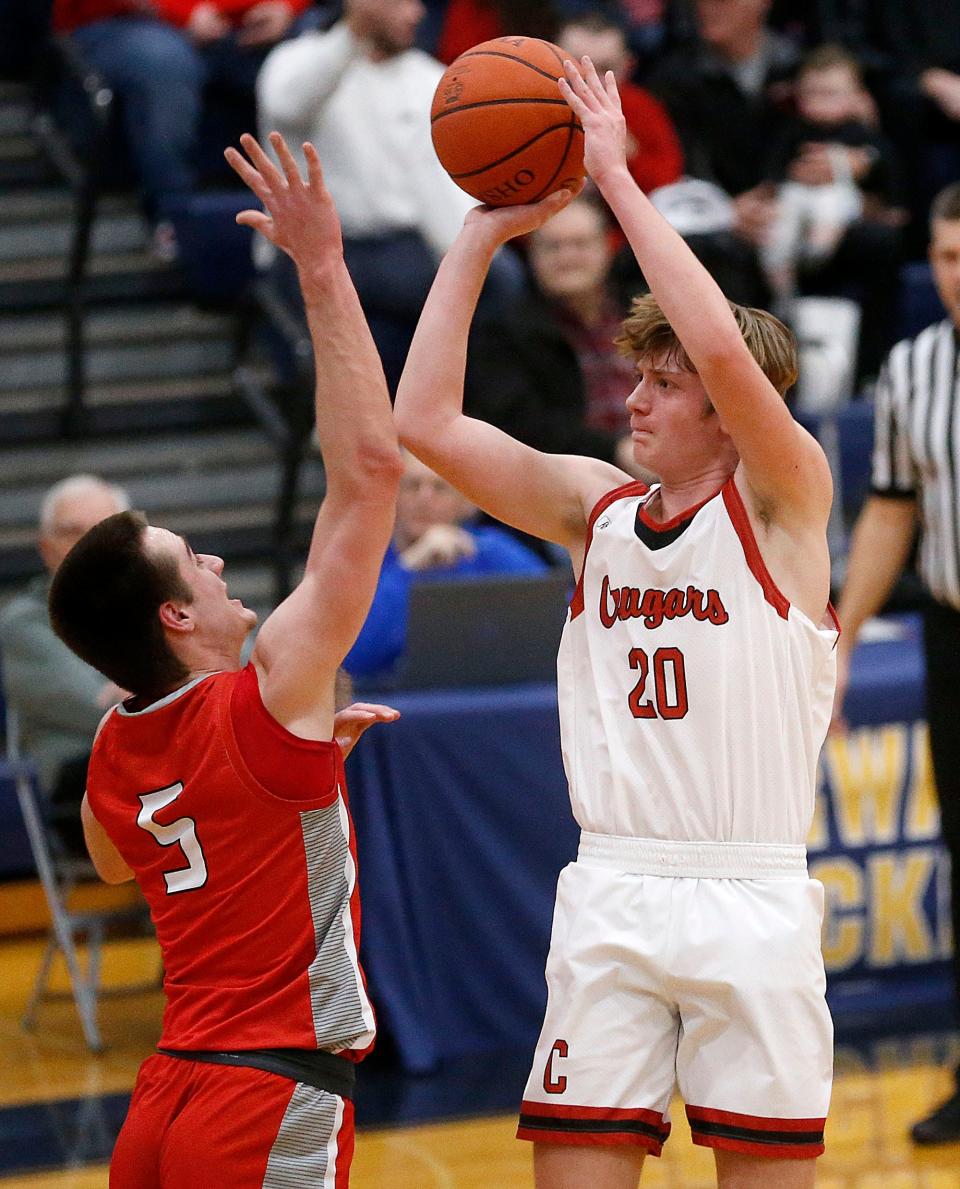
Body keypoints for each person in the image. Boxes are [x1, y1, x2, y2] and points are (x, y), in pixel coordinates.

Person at [395, 56, 838, 1188]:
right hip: (614, 885)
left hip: (752, 890)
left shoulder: (785, 500)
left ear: (734, 414)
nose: (636, 397)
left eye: (668, 380)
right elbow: (427, 421)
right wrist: (482, 233)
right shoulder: (594, 509)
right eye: (636, 373)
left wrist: (618, 183)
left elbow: (734, 353)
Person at [47, 131, 403, 1185]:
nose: (209, 559)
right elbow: (370, 471)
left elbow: (121, 857)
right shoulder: (271, 690)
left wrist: (293, 770)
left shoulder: (116, 746)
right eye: (185, 560)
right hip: (265, 1098)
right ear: (172, 617)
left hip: (163, 1107)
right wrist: (323, 269)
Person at [833, 182, 960, 1147]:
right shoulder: (915, 365)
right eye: (949, 260)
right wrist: (840, 635)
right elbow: (889, 508)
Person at [257, 0, 520, 391]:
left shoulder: (430, 76)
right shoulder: (297, 59)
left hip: (410, 250)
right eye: (402, 2)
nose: (416, 13)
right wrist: (353, 33)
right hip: (316, 249)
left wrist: (475, 250)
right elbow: (288, 104)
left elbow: (448, 185)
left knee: (501, 279)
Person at [53, 0, 313, 257]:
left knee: (317, 44)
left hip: (247, 20)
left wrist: (288, 5)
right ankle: (176, 221)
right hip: (125, 22)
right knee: (164, 61)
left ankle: (318, 214)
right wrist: (181, 11)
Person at [464, 189, 648, 471]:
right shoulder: (504, 330)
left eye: (580, 244)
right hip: (568, 480)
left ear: (607, 247)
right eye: (553, 246)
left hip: (659, 460)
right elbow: (520, 429)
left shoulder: (644, 312)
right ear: (532, 255)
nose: (567, 257)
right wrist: (616, 452)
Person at [0, 475, 130, 857]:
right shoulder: (24, 624)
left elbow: (242, 664)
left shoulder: (164, 596)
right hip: (83, 787)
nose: (88, 545)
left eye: (104, 530)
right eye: (72, 532)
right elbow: (97, 708)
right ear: (45, 548)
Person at [760, 43, 903, 381]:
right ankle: (779, 276)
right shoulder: (792, 131)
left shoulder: (861, 135)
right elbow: (774, 172)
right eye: (814, 93)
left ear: (857, 96)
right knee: (784, 214)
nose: (822, 103)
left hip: (842, 217)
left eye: (832, 94)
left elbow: (888, 177)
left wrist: (853, 165)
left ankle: (820, 246)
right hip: (796, 205)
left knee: (833, 201)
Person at [344, 450, 546, 680]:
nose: (424, 499)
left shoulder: (491, 551)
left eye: (439, 488)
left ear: (467, 503)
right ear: (393, 494)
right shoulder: (363, 559)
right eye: (412, 486)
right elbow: (350, 660)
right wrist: (408, 567)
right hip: (391, 704)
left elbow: (555, 623)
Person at [556, 9, 683, 197]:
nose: (591, 80)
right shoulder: (525, 103)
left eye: (605, 68)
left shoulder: (641, 108)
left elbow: (668, 188)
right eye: (576, 66)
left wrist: (628, 154)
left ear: (627, 66)